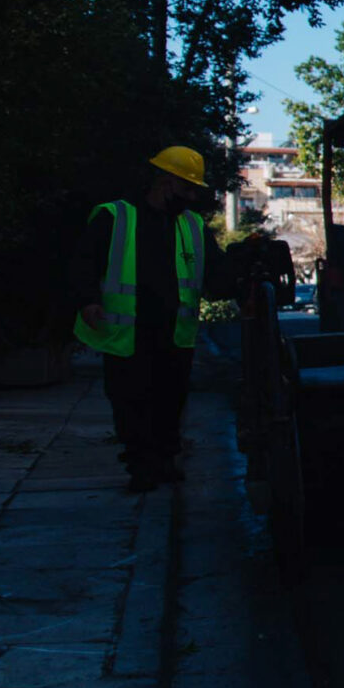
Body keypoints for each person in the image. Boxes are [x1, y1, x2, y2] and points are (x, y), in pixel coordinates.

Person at [74, 148, 233, 492]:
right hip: (128, 332)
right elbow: (84, 262)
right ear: (166, 182)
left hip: (174, 332)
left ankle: (164, 460)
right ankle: (141, 467)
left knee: (169, 400)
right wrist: (87, 301)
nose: (192, 197)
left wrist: (240, 278)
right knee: (131, 401)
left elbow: (216, 272)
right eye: (188, 189)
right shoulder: (115, 217)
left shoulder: (192, 225)